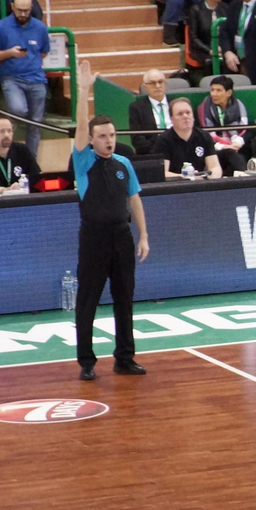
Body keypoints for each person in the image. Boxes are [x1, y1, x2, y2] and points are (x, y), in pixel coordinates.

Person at [70, 65, 149, 382]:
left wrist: (143, 235)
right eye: (102, 136)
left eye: (112, 135)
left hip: (121, 236)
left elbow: (135, 199)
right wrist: (83, 91)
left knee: (124, 296)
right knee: (88, 299)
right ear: (91, 140)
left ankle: (125, 358)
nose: (109, 141)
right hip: (93, 238)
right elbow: (79, 124)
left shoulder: (124, 163)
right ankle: (87, 362)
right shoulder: (83, 161)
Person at [0, 0, 51, 152]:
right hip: (11, 78)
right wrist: (10, 53)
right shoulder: (0, 27)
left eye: (26, 11)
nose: (23, 14)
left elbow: (43, 51)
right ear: (12, 7)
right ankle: (9, 152)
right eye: (20, 10)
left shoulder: (40, 28)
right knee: (18, 110)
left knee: (36, 123)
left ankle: (31, 160)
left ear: (31, 8)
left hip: (36, 78)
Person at [152, 98, 220, 179]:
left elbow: (215, 167)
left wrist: (211, 177)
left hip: (201, 183)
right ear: (171, 119)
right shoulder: (163, 140)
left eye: (188, 113)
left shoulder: (204, 136)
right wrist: (186, 177)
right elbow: (162, 173)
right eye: (180, 114)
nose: (185, 116)